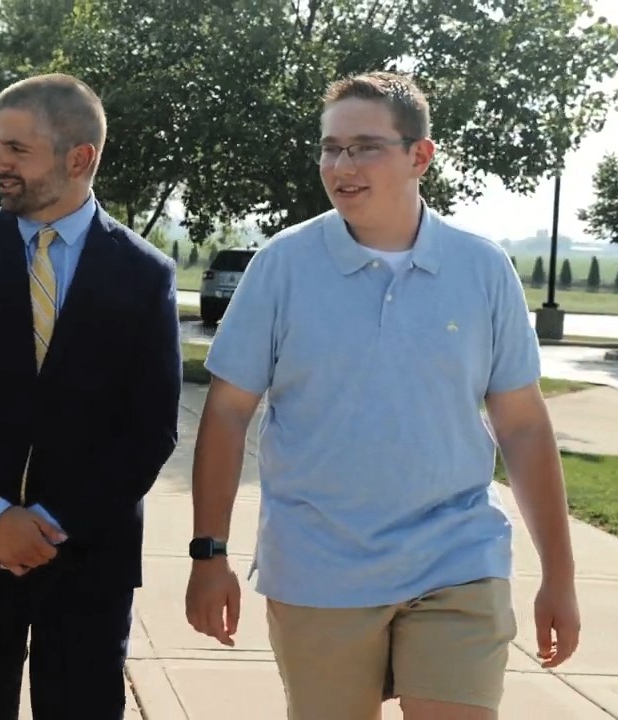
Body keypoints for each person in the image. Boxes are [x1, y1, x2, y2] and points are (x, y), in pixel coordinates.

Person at [184, 71, 581, 719]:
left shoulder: (482, 269)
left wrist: (559, 578)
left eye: (364, 146)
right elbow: (227, 414)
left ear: (419, 156)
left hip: (458, 557)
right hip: (318, 567)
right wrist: (210, 553)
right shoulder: (282, 267)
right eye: (330, 147)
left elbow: (524, 427)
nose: (341, 164)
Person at [0, 72, 183, 720]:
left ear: (80, 157)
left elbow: (149, 430)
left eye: (17, 150)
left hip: (88, 561)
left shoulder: (143, 275)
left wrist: (49, 525)